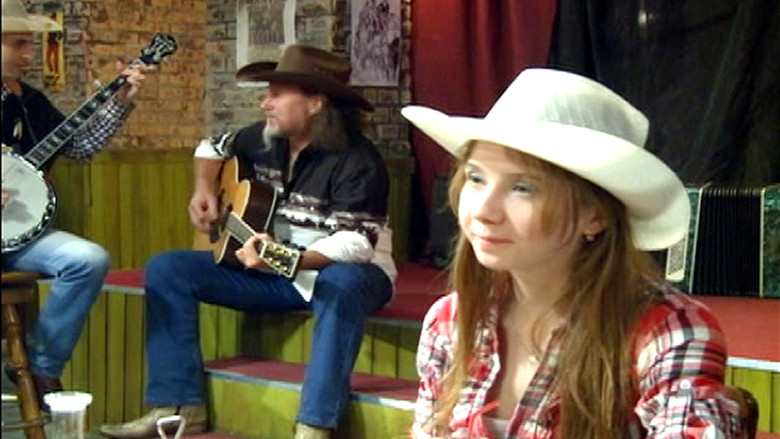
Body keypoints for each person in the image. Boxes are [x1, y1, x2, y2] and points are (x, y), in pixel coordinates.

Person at [400, 69, 746, 438]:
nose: (484, 210)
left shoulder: (667, 330)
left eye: (522, 187)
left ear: (594, 216)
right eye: (475, 178)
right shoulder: (450, 322)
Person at [99, 44, 396, 439]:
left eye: (276, 94)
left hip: (350, 274)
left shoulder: (359, 160)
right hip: (274, 273)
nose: (264, 103)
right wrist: (204, 190)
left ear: (315, 104)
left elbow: (357, 243)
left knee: (341, 281)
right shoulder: (262, 139)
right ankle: (179, 408)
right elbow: (210, 147)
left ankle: (314, 425)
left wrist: (286, 258)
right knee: (167, 269)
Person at [2, 0, 149, 407]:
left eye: (31, 44)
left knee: (88, 259)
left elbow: (80, 147)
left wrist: (119, 102)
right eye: (18, 44)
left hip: (21, 237)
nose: (29, 54)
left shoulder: (30, 101)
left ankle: (41, 366)